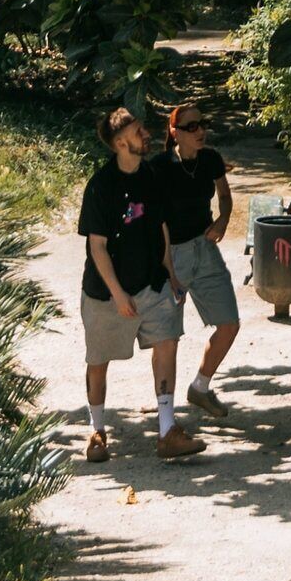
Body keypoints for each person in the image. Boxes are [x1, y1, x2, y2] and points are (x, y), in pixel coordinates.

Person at [75, 107, 205, 464]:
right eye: (137, 131)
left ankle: (167, 432)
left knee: (167, 343)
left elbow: (160, 227)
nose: (145, 134)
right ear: (120, 143)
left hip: (151, 284)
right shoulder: (100, 186)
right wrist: (117, 294)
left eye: (143, 129)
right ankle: (97, 430)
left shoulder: (150, 176)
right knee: (98, 361)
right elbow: (96, 247)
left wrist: (172, 277)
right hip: (105, 292)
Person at [155, 103, 245, 416]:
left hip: (205, 250)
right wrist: (168, 271)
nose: (200, 131)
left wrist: (223, 220)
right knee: (167, 337)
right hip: (172, 254)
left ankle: (200, 388)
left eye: (202, 124)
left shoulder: (210, 159)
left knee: (229, 324)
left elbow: (224, 195)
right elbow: (156, 221)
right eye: (191, 127)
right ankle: (165, 413)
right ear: (174, 132)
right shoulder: (160, 166)